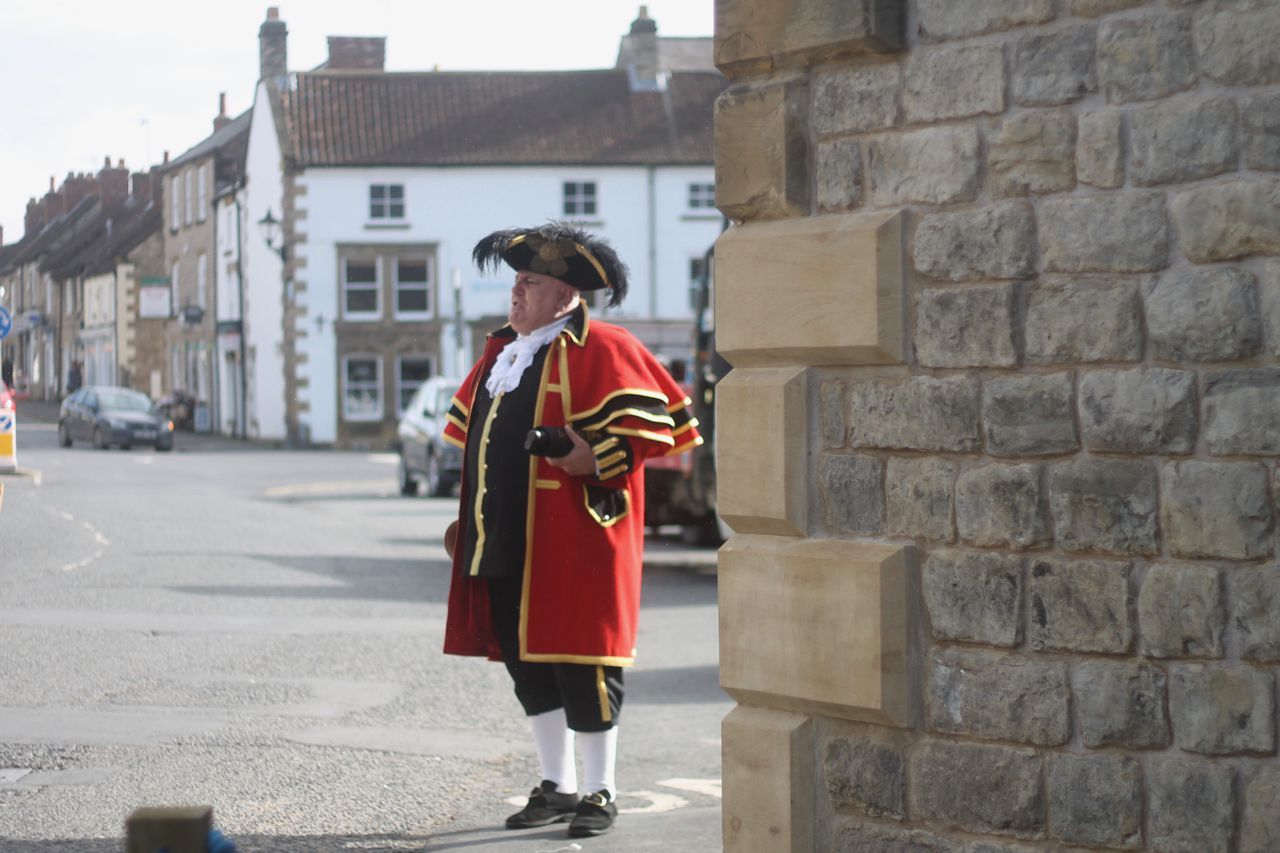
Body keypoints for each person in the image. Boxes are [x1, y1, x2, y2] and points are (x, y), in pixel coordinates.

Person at [441, 223, 701, 838]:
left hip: (574, 538)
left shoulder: (606, 346)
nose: (517, 293)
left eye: (530, 283)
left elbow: (651, 436)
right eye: (516, 282)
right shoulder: (501, 354)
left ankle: (600, 789)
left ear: (566, 295)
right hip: (504, 534)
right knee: (527, 665)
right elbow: (478, 446)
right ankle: (557, 786)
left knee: (583, 663)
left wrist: (593, 457)